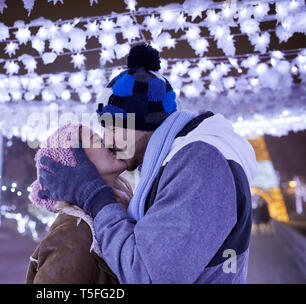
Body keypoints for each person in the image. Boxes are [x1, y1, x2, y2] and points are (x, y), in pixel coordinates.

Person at [37, 44, 259, 283]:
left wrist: (95, 196)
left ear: (146, 121)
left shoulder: (201, 164)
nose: (108, 140)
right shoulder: (179, 163)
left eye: (114, 126)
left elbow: (148, 275)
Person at [25, 123, 133, 284]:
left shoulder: (118, 211)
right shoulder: (71, 234)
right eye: (95, 140)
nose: (107, 142)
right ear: (77, 163)